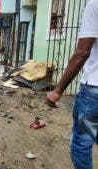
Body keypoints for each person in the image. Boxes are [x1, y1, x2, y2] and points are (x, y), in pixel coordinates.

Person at [46, 1, 98, 168]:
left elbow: (82, 52)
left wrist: (58, 90)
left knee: (82, 142)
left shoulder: (94, 5)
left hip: (94, 88)